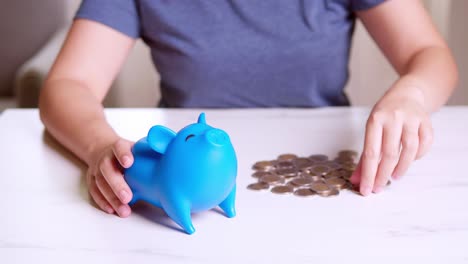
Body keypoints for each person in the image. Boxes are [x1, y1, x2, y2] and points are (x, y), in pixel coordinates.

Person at [39, 0, 458, 217]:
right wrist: (99, 146)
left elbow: (430, 54)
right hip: (185, 179)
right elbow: (67, 85)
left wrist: (412, 94)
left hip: (328, 190)